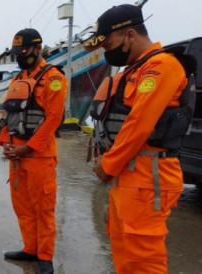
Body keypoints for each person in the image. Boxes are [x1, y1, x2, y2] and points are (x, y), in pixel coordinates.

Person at [85, 4, 190, 273]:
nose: (107, 52)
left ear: (130, 35)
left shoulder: (162, 67)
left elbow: (138, 125)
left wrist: (107, 165)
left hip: (146, 178)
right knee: (124, 255)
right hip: (125, 177)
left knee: (144, 260)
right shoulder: (131, 71)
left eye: (108, 44)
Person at [0, 28, 67, 274]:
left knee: (43, 209)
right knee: (23, 207)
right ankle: (30, 248)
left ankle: (45, 256)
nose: (19, 56)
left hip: (40, 157)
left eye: (23, 51)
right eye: (17, 52)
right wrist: (5, 144)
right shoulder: (17, 80)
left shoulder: (54, 78)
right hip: (17, 156)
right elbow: (7, 114)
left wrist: (27, 148)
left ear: (38, 49)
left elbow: (53, 119)